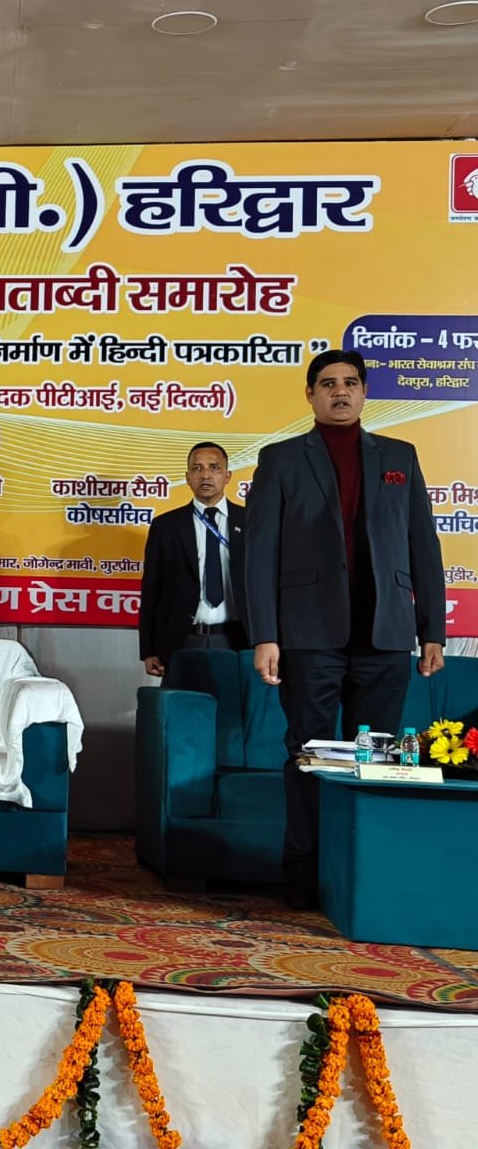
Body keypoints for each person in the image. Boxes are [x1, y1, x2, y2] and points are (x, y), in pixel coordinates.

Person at [244, 349, 445, 909]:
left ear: (364, 391)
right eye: (328, 383)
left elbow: (423, 545)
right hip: (308, 635)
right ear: (310, 395)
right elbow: (259, 554)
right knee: (308, 754)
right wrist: (265, 635)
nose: (341, 391)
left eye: (351, 382)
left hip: (386, 634)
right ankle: (304, 877)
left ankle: (364, 873)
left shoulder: (400, 455)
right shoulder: (281, 459)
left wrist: (432, 629)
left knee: (377, 760)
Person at [138, 441, 247, 677]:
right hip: (182, 640)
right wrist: (149, 649)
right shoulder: (166, 526)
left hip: (238, 640)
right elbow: (151, 590)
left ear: (227, 476)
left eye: (214, 468)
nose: (205, 475)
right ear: (187, 477)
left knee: (233, 701)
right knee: (184, 701)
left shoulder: (251, 522)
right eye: (197, 468)